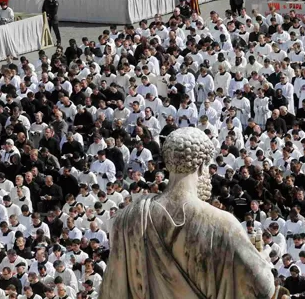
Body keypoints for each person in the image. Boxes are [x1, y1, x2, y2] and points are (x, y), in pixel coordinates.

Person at [100, 128, 275, 299]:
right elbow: (264, 288)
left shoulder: (128, 219)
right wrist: (262, 261)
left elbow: (112, 290)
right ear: (201, 166)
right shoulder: (223, 224)